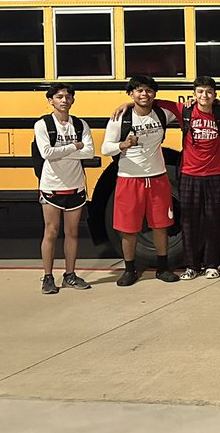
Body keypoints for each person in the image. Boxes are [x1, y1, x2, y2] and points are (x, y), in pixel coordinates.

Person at [151, 77, 220, 280]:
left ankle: (211, 264)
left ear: (214, 95)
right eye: (200, 92)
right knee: (189, 223)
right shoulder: (184, 110)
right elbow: (155, 102)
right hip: (190, 174)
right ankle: (191, 266)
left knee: (214, 222)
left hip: (215, 174)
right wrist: (128, 103)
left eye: (208, 92)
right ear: (193, 94)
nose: (204, 96)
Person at [101, 75, 181, 287]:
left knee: (161, 225)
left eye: (148, 90)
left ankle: (163, 268)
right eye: (138, 90)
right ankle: (129, 269)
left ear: (154, 94)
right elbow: (105, 147)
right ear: (131, 93)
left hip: (157, 177)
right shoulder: (121, 118)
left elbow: (185, 107)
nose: (143, 94)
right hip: (129, 179)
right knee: (128, 228)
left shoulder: (162, 114)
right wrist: (123, 144)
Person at [34, 82, 94, 294]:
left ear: (73, 100)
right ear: (51, 100)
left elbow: (89, 153)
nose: (64, 100)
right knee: (51, 232)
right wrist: (74, 147)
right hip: (51, 187)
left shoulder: (79, 124)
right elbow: (46, 153)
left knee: (72, 232)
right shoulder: (43, 124)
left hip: (76, 186)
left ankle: (70, 274)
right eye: (59, 96)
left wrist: (62, 150)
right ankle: (48, 277)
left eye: (68, 96)